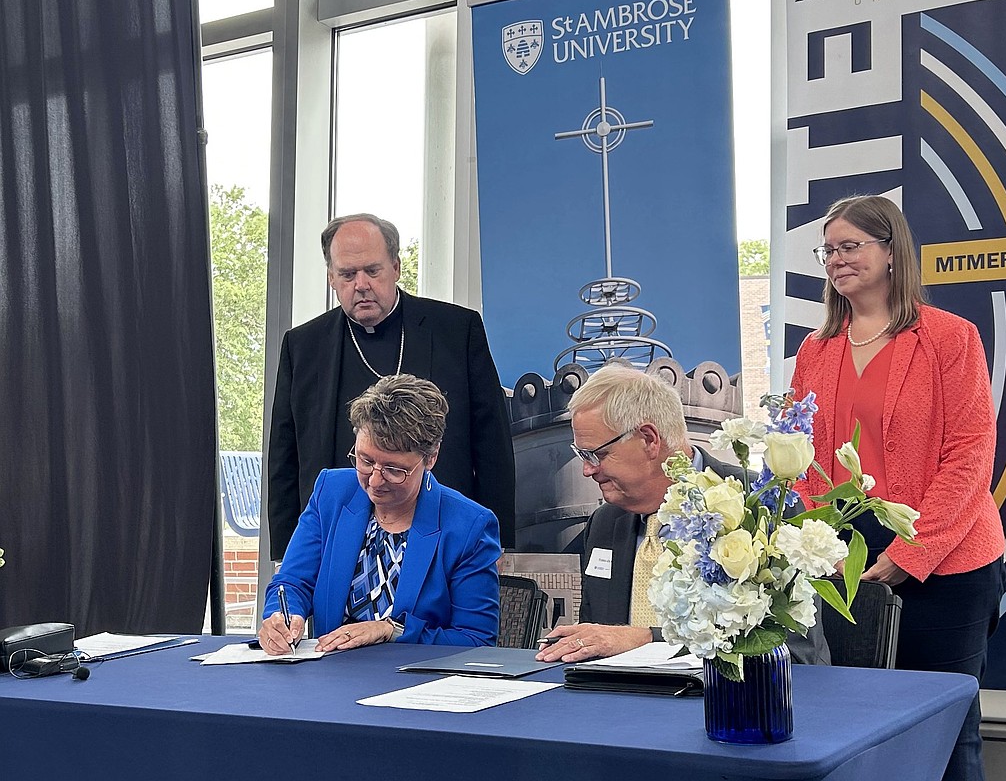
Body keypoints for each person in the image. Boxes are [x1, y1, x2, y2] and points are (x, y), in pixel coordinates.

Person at [792, 195, 1005, 781]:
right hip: (844, 564)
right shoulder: (816, 350)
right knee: (856, 727)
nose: (836, 259)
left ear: (891, 253)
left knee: (945, 733)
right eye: (828, 250)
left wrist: (908, 556)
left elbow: (969, 456)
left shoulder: (949, 338)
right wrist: (820, 544)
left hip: (946, 561)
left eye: (850, 246)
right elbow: (802, 458)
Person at [536, 364, 830, 665]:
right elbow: (599, 645)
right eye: (582, 455)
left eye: (597, 454)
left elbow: (793, 653)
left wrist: (650, 640)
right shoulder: (603, 524)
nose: (587, 470)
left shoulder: (762, 505)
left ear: (649, 439)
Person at [267, 213, 516, 559]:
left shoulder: (456, 331)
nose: (361, 284)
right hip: (337, 540)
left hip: (442, 535)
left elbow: (493, 447)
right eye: (347, 274)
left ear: (396, 267)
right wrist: (285, 553)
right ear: (331, 278)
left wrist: (498, 542)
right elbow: (284, 456)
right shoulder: (303, 346)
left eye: (372, 270)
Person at [258, 374, 501, 653]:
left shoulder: (469, 525)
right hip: (329, 680)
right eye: (365, 461)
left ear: (431, 457)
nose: (374, 481)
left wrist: (390, 630)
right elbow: (293, 582)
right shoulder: (332, 493)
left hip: (417, 684)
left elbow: (476, 641)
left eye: (394, 469)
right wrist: (283, 616)